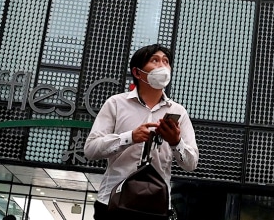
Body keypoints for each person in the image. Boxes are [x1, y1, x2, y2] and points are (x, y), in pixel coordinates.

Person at [85, 44, 199, 218]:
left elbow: (191, 164)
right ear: (138, 73)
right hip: (113, 202)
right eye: (155, 60)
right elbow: (91, 149)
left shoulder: (178, 112)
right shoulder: (115, 103)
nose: (162, 66)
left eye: (166, 61)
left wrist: (176, 142)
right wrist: (130, 137)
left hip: (156, 206)